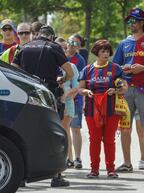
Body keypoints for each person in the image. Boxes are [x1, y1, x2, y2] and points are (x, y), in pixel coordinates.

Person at [12, 25, 73, 187]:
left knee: (24, 132)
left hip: (27, 95)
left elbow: (14, 70)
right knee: (56, 132)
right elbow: (70, 72)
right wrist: (62, 81)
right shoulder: (54, 48)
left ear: (38, 34)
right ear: (52, 37)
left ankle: (21, 177)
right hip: (48, 95)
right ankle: (57, 176)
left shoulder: (24, 48)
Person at [113, 8, 144, 174]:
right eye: (129, 21)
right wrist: (122, 69)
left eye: (134, 20)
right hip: (126, 90)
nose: (131, 24)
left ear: (142, 22)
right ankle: (127, 163)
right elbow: (114, 67)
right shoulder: (123, 43)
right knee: (125, 127)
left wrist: (143, 68)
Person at [79, 39, 127, 178]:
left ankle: (111, 169)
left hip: (111, 108)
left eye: (107, 51)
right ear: (96, 52)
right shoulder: (87, 69)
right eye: (103, 51)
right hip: (91, 108)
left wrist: (116, 90)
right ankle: (94, 170)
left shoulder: (116, 68)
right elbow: (80, 88)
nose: (106, 54)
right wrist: (86, 92)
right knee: (94, 139)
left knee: (109, 139)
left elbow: (124, 87)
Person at [55, 37, 80, 170]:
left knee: (65, 129)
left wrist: (64, 97)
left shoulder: (72, 67)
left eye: (65, 48)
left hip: (67, 103)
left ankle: (69, 158)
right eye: (59, 48)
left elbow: (76, 87)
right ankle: (59, 159)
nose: (63, 50)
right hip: (52, 103)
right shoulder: (50, 65)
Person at [67, 34, 86, 169]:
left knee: (75, 128)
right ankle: (69, 157)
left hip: (76, 97)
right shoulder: (60, 55)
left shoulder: (79, 60)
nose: (72, 44)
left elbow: (79, 81)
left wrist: (78, 96)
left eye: (76, 43)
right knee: (64, 129)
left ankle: (78, 158)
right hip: (62, 96)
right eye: (71, 41)